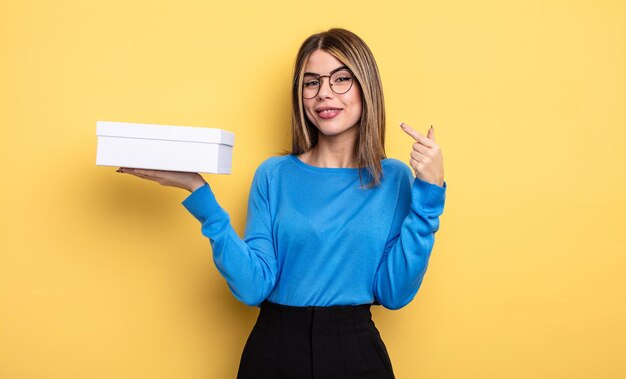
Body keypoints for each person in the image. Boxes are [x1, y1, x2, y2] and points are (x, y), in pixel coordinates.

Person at [118, 28, 446, 379]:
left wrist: (429, 193)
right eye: (311, 83)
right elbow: (253, 287)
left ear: (366, 87)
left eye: (341, 79)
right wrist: (200, 194)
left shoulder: (393, 179)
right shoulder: (273, 175)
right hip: (274, 350)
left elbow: (394, 292)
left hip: (356, 351)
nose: (324, 93)